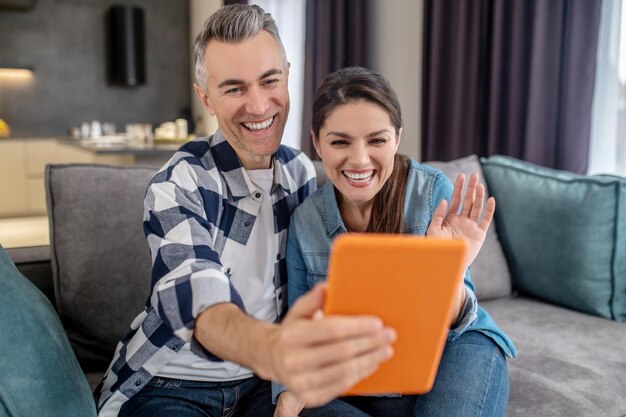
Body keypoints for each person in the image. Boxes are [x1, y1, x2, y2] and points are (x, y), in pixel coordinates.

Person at [94, 7, 395, 417]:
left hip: (264, 386)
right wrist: (269, 348)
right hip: (171, 384)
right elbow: (198, 293)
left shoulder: (300, 172)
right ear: (206, 98)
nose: (258, 106)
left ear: (288, 75)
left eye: (270, 81)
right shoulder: (179, 183)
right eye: (234, 89)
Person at [277, 66, 517, 417]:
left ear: (397, 138)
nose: (359, 160)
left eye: (377, 140)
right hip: (358, 370)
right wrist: (289, 395)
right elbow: (300, 328)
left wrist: (447, 269)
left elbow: (456, 319)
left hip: (454, 348)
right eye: (340, 141)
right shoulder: (306, 220)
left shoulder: (433, 192)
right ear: (316, 142)